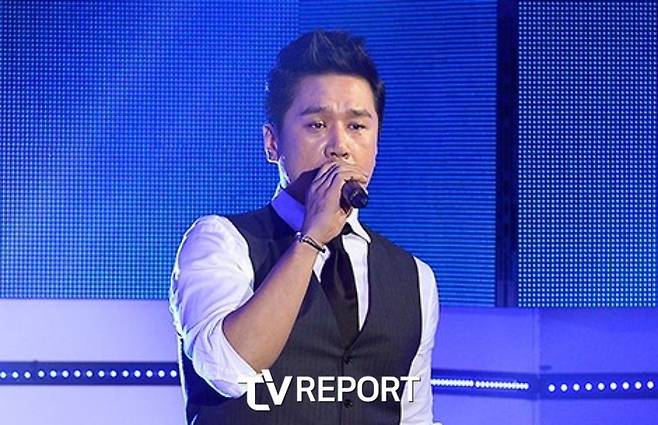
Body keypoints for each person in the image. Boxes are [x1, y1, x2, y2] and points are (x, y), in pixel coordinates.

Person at [169, 30, 439, 424]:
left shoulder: (414, 277)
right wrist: (312, 238)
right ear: (272, 143)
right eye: (316, 125)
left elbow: (412, 415)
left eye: (357, 127)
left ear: (377, 143)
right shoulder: (221, 242)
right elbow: (227, 370)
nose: (339, 146)